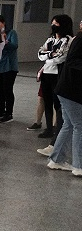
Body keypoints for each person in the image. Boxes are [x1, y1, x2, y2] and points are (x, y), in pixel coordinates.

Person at [35, 14, 73, 155]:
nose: (53, 26)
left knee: (58, 105)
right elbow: (40, 53)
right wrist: (50, 54)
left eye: (56, 23)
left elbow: (61, 57)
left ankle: (57, 129)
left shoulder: (67, 40)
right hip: (46, 73)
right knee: (47, 102)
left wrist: (48, 56)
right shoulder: (51, 39)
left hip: (57, 75)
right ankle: (49, 128)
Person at [47, 27, 82, 177]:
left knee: (69, 124)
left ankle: (56, 159)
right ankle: (78, 166)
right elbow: (72, 61)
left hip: (67, 90)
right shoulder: (80, 39)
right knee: (79, 125)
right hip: (71, 91)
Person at [0, 15, 18, 123]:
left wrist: (5, 42)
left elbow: (15, 46)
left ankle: (9, 113)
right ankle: (1, 110)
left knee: (7, 89)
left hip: (10, 66)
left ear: (3, 23)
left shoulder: (11, 33)